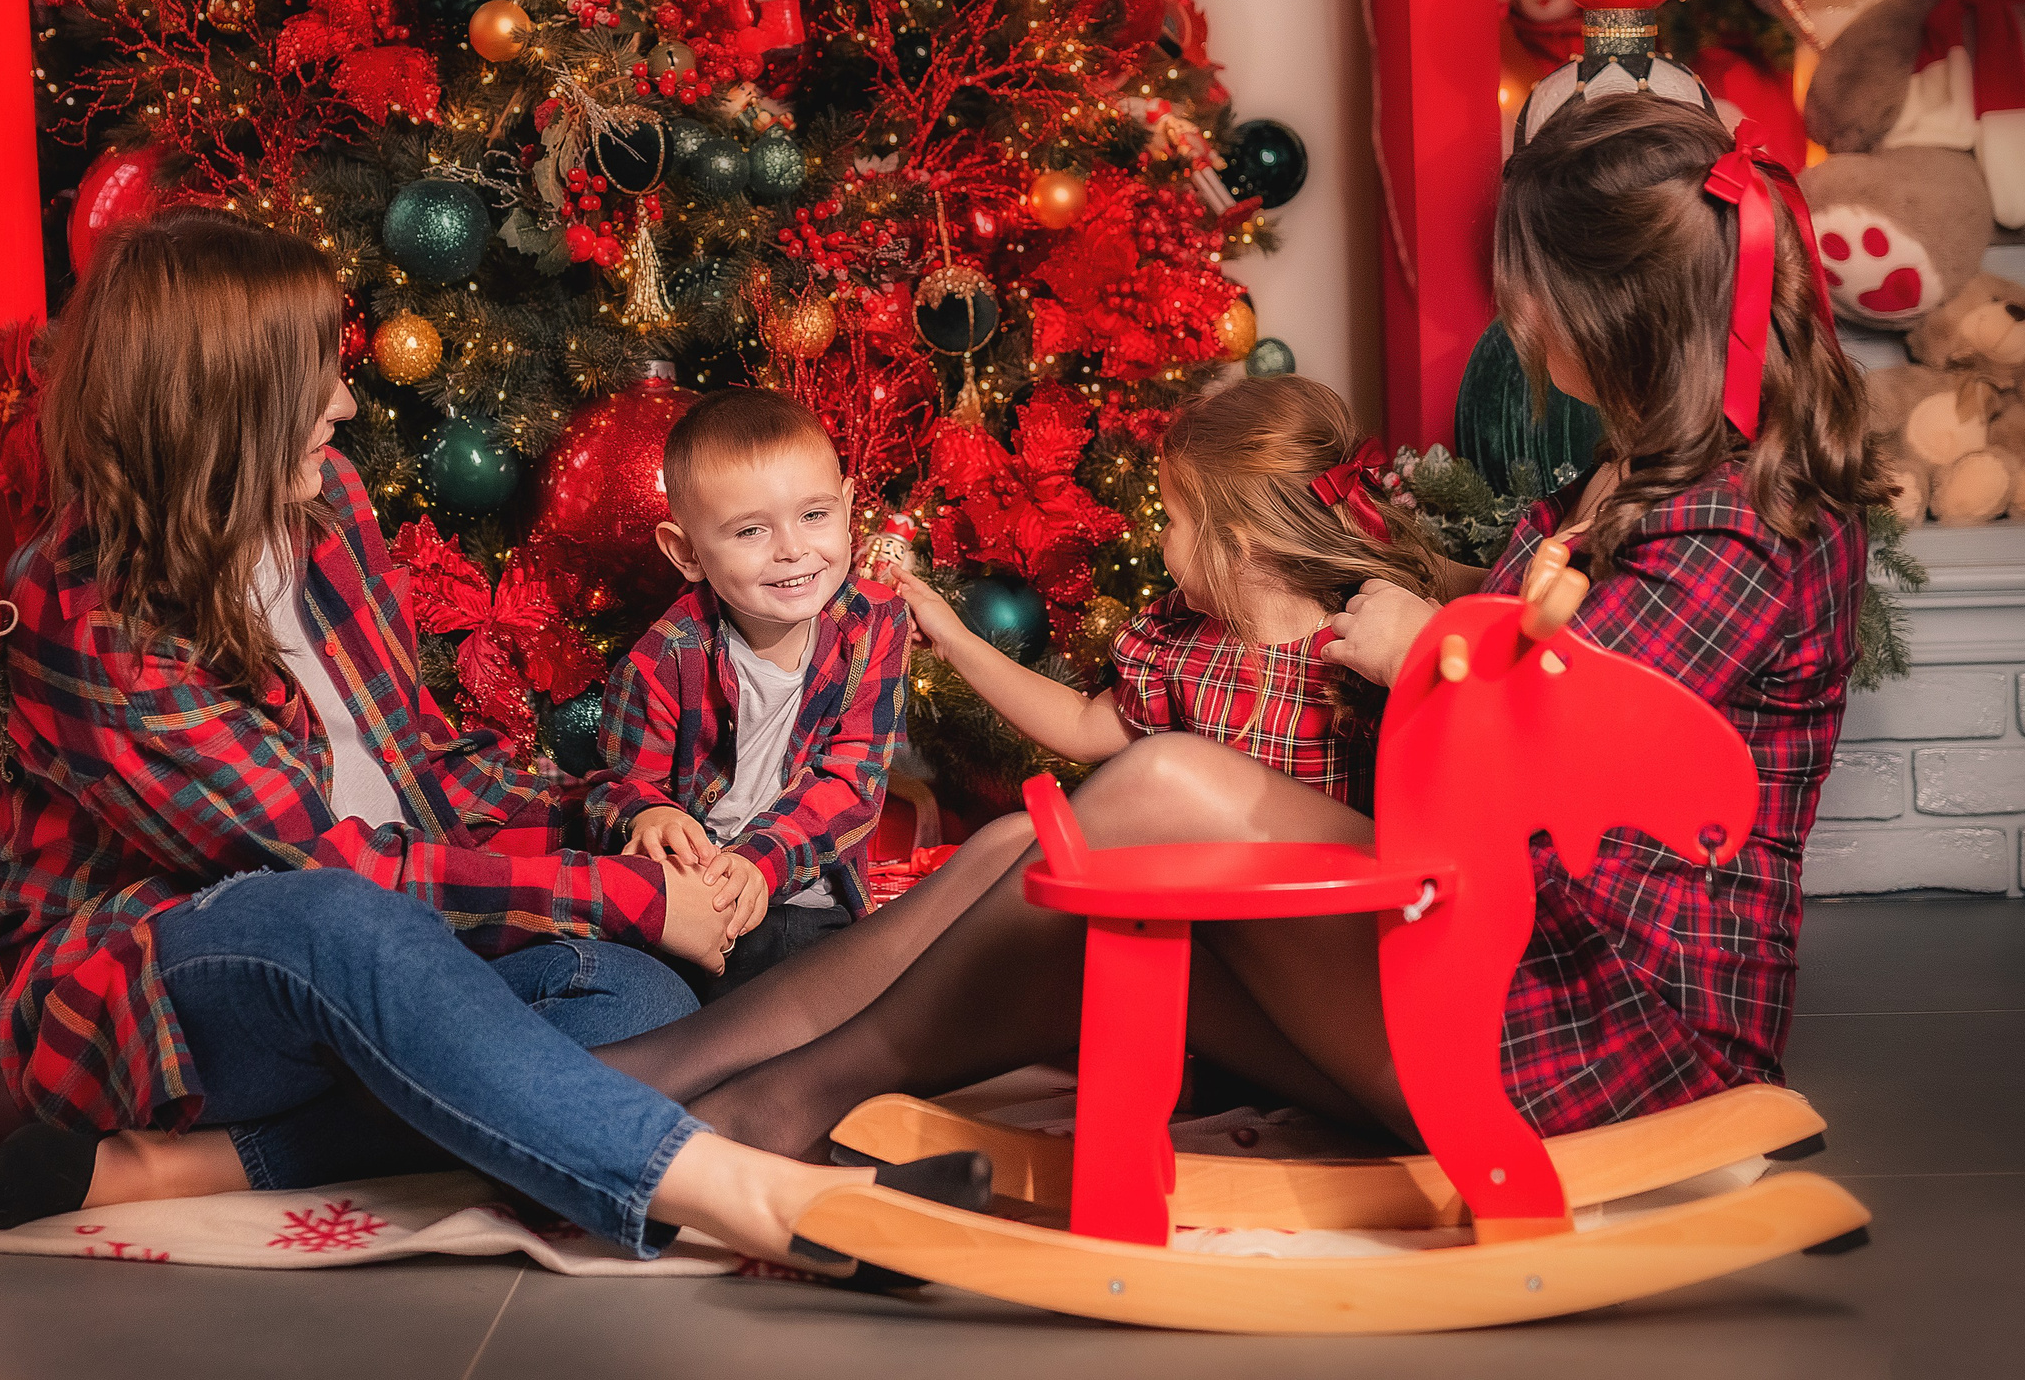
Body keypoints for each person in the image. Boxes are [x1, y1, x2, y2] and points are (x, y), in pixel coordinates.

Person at [594, 94, 1881, 1161]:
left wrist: (1422, 652)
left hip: (1594, 1035)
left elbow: (1561, 761)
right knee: (1019, 867)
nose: (1516, 319)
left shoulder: (1742, 521)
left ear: (1615, 310)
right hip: (1492, 952)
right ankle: (670, 1074)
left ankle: (768, 1105)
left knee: (1160, 781)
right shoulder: (1628, 483)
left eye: (1527, 290)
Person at [0, 210, 986, 1266]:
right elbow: (325, 863)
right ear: (225, 402)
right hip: (166, 993)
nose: (346, 401)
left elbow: (420, 761)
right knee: (336, 914)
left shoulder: (324, 510)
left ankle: (214, 1164)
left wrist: (621, 814)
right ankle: (761, 1197)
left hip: (393, 953)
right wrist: (623, 892)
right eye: (316, 377)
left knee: (636, 993)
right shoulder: (93, 610)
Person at [888, 374, 1441, 814]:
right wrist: (953, 639)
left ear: (1237, 545)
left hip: (1314, 924)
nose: (1158, 537)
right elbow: (1080, 726)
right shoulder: (1183, 646)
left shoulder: (1367, 644)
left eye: (1171, 520)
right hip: (1206, 920)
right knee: (1009, 842)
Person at [588, 389, 911, 998]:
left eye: (814, 515)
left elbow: (854, 783)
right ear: (687, 553)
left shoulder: (875, 624)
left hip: (812, 893)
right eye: (751, 530)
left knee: (853, 975)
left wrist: (758, 862)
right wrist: (647, 814)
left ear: (847, 508)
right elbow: (621, 787)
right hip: (702, 905)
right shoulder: (663, 661)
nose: (792, 549)